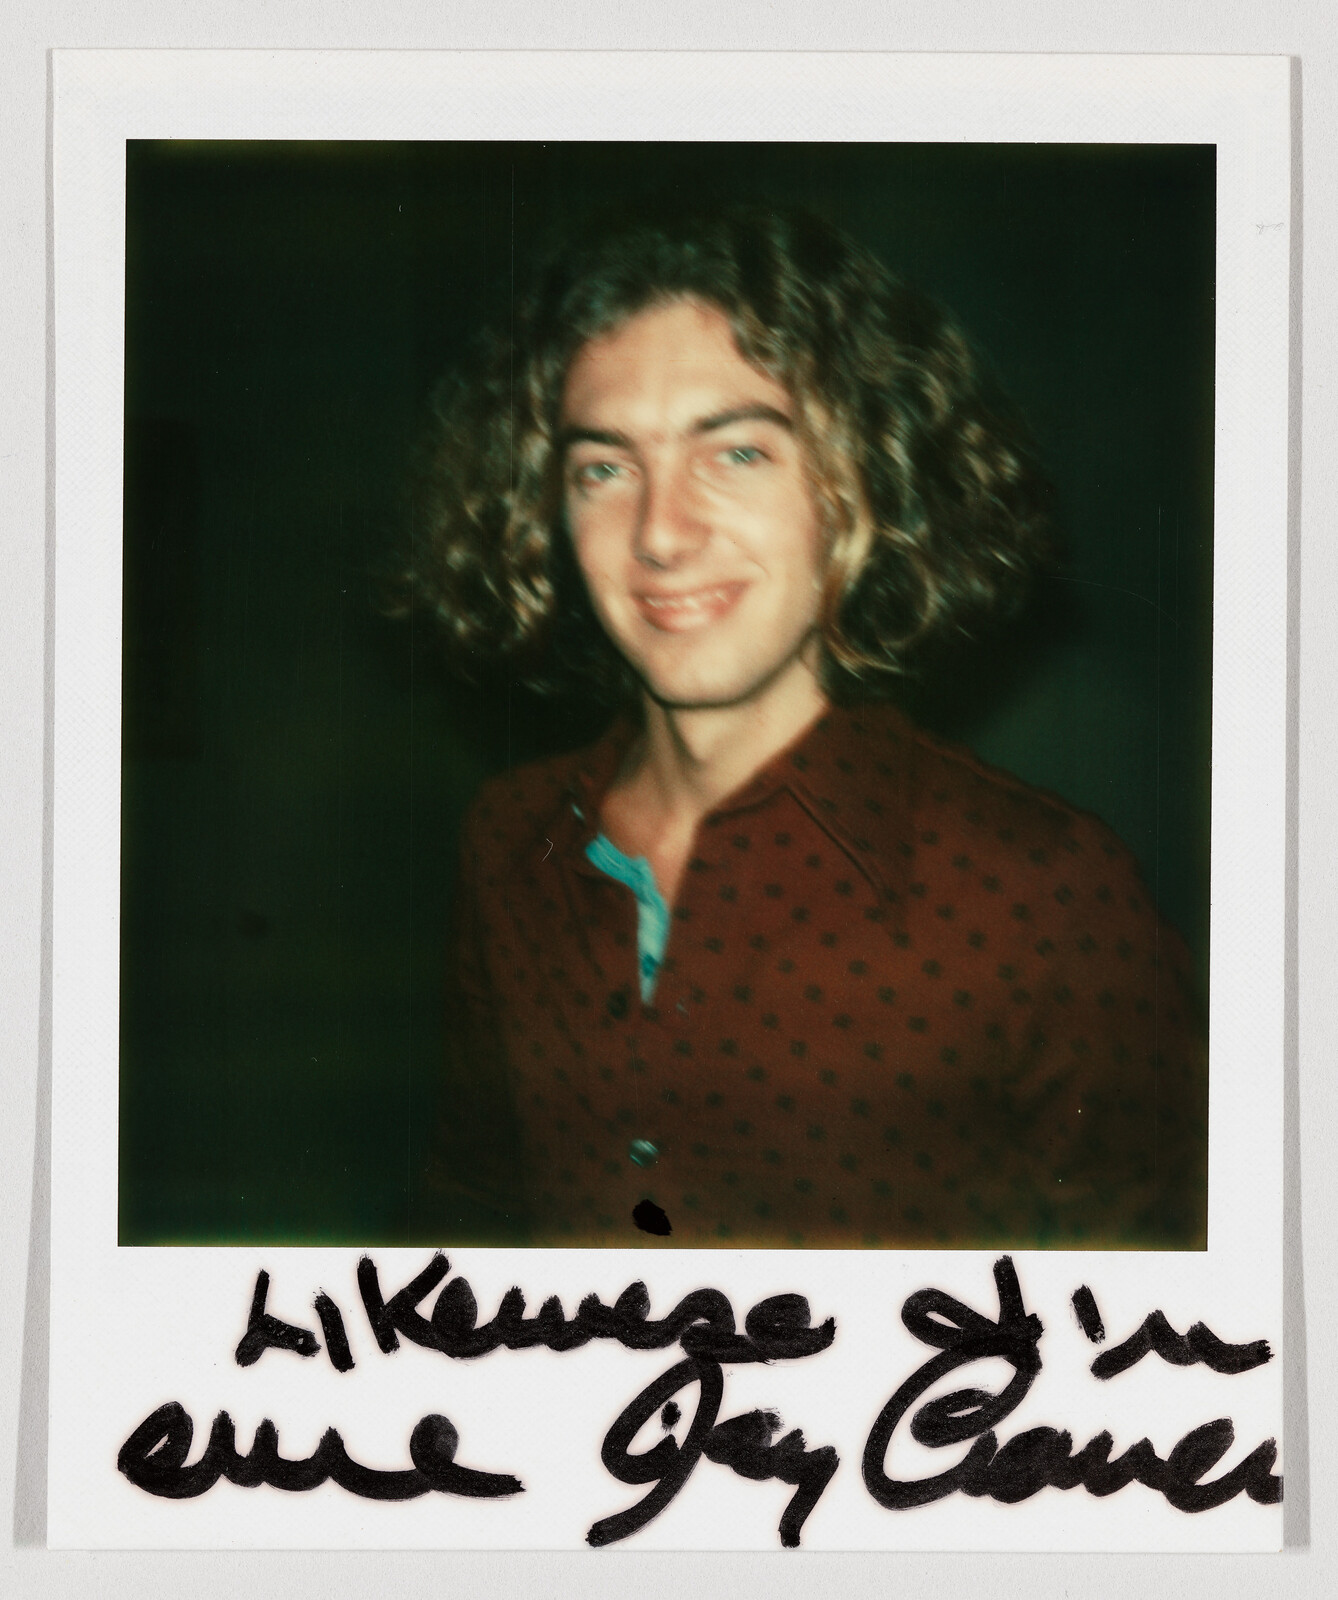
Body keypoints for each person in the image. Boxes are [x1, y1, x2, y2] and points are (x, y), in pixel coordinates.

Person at [408, 203, 1207, 1250]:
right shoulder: (511, 841)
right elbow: (464, 1228)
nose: (659, 533)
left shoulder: (1045, 894)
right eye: (603, 468)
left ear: (861, 482)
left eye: (735, 454)